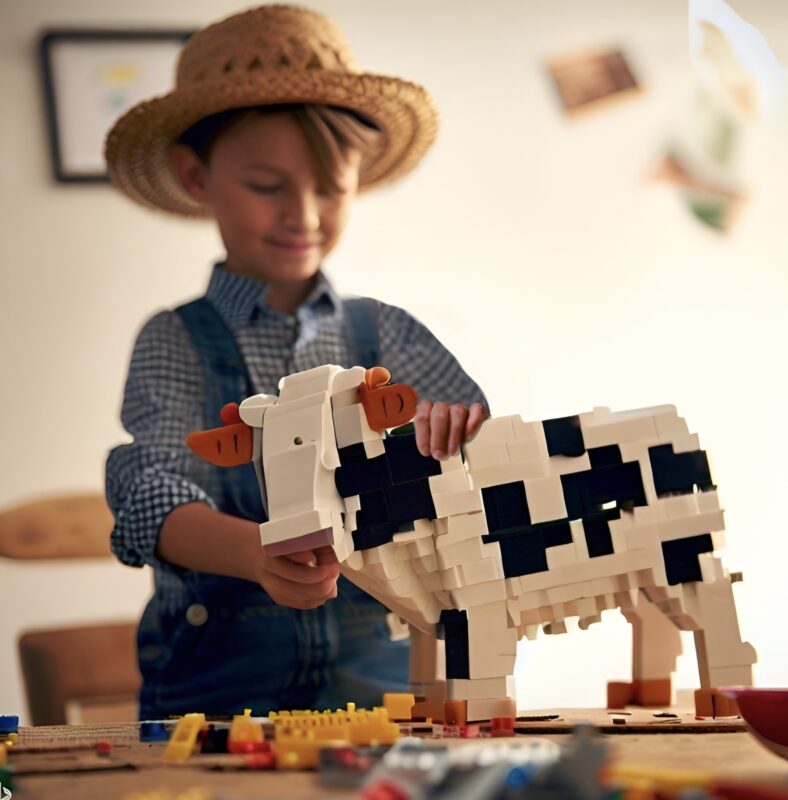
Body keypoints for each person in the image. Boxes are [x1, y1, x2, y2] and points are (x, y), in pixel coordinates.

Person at [105, 4, 488, 719]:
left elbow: (476, 455)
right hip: (217, 688)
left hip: (389, 677)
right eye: (266, 185)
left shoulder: (389, 334)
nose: (304, 216)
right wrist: (256, 552)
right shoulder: (173, 340)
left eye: (329, 188)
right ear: (196, 177)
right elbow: (149, 495)